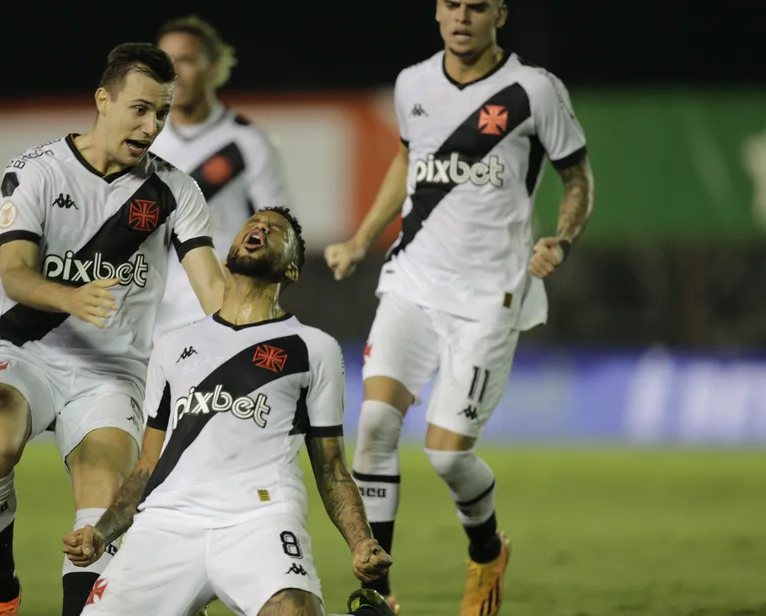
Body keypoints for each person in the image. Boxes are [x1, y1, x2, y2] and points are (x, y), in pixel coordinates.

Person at [324, 1, 595, 614]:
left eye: (477, 5)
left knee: (447, 454)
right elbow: (406, 157)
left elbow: (577, 176)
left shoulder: (534, 91)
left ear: (500, 11)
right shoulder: (412, 84)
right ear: (437, 12)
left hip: (489, 299)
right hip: (412, 281)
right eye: (452, 5)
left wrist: (562, 239)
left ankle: (485, 552)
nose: (463, 17)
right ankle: (377, 593)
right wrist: (365, 237)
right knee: (373, 426)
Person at [0, 42, 226, 616]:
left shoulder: (175, 192)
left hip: (110, 372)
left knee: (102, 503)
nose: (151, 125)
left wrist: (258, 334)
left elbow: (215, 294)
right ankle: (3, 594)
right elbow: (13, 274)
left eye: (161, 112)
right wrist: (71, 297)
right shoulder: (36, 170)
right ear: (103, 101)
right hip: (26, 350)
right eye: (139, 109)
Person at [61, 207, 394, 616]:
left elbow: (331, 468)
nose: (260, 227)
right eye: (253, 223)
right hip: (166, 525)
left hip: (260, 518)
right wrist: (102, 531)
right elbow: (147, 466)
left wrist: (361, 542)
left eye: (276, 230)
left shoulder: (313, 348)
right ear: (228, 253)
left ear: (291, 271)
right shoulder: (171, 346)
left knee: (295, 611)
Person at [151, 15, 292, 339]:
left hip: (219, 311)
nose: (174, 73)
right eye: (164, 62)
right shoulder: (143, 139)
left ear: (214, 67)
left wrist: (246, 284)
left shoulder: (248, 142)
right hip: (150, 315)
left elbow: (281, 227)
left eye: (186, 61)